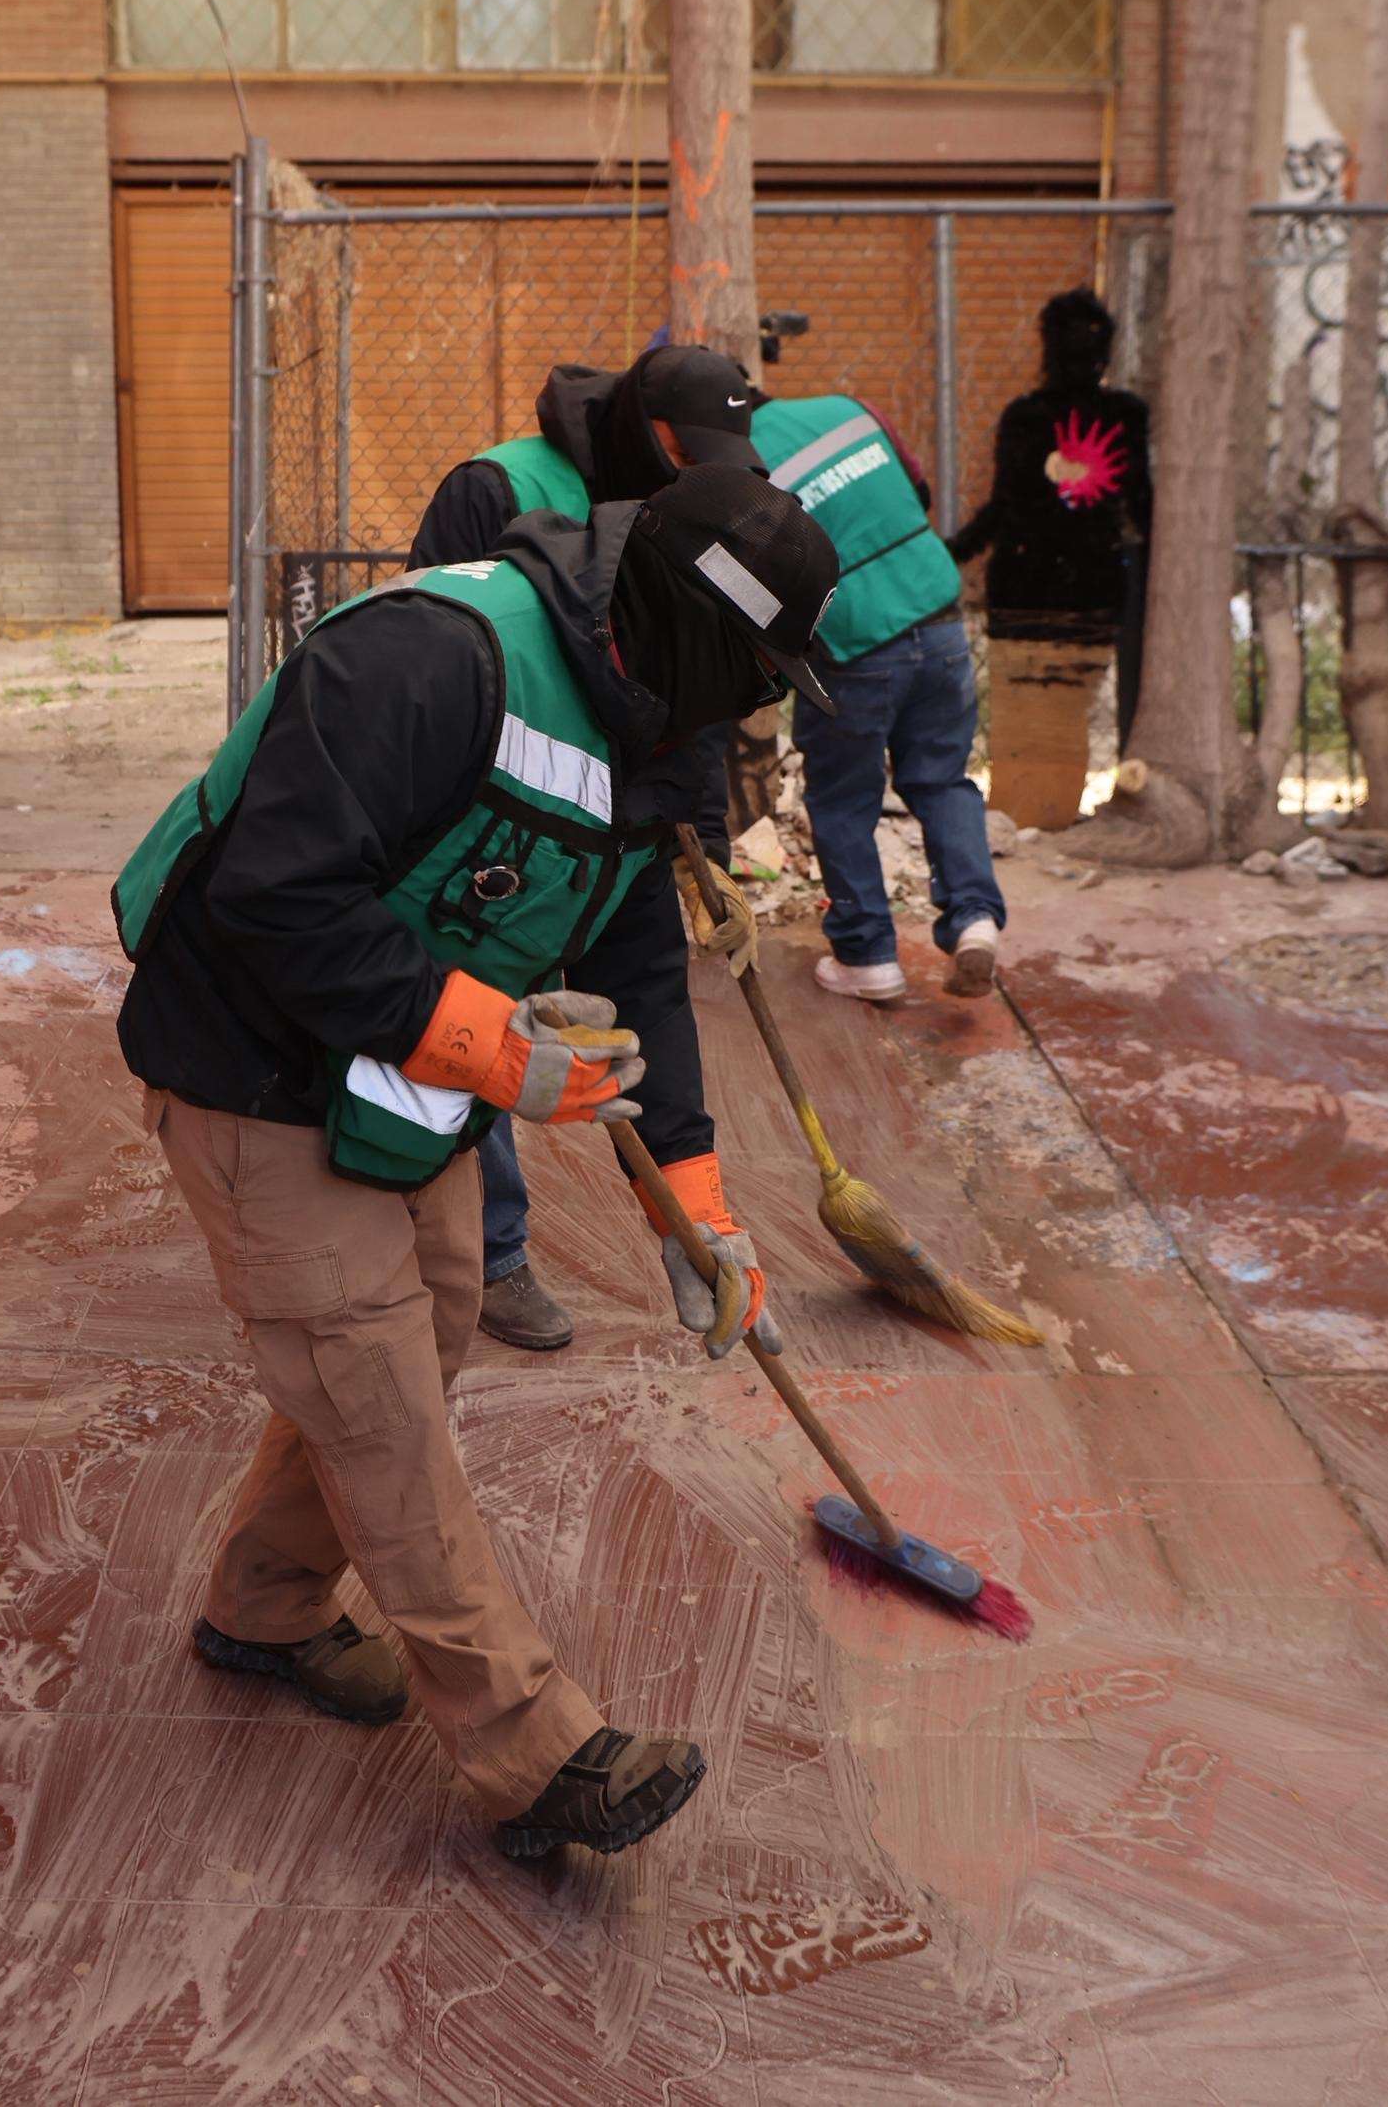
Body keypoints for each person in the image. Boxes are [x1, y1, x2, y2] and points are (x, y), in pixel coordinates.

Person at [110, 464, 845, 1861]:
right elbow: (273, 893)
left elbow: (638, 953)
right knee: (376, 1398)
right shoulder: (426, 659)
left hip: (401, 1079)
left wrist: (692, 1204)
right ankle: (536, 1752)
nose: (758, 711)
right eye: (758, 677)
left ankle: (263, 1608)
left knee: (430, 1324)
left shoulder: (659, 716)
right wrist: (493, 1050)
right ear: (698, 634)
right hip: (253, 1063)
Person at [405, 344, 759, 1352]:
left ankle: (512, 1235)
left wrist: (705, 849)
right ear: (646, 429)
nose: (703, 473)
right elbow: (426, 651)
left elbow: (700, 690)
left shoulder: (695, 506)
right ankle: (489, 1252)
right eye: (691, 453)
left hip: (610, 801)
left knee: (637, 987)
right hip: (481, 814)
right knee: (470, 1016)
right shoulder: (497, 489)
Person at [750, 387, 1005, 1002]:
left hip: (855, 639)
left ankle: (868, 958)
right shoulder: (848, 409)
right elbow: (918, 489)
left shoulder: (739, 463)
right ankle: (974, 917)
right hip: (938, 617)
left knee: (842, 800)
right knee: (942, 781)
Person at [945, 289, 1152, 831]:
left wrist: (948, 555)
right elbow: (1143, 506)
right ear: (1106, 351)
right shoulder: (1127, 416)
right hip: (1092, 590)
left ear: (1045, 346)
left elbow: (1002, 507)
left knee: (1022, 714)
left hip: (1023, 588)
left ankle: (1018, 820)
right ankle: (1053, 819)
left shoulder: (1025, 417)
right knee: (1065, 716)